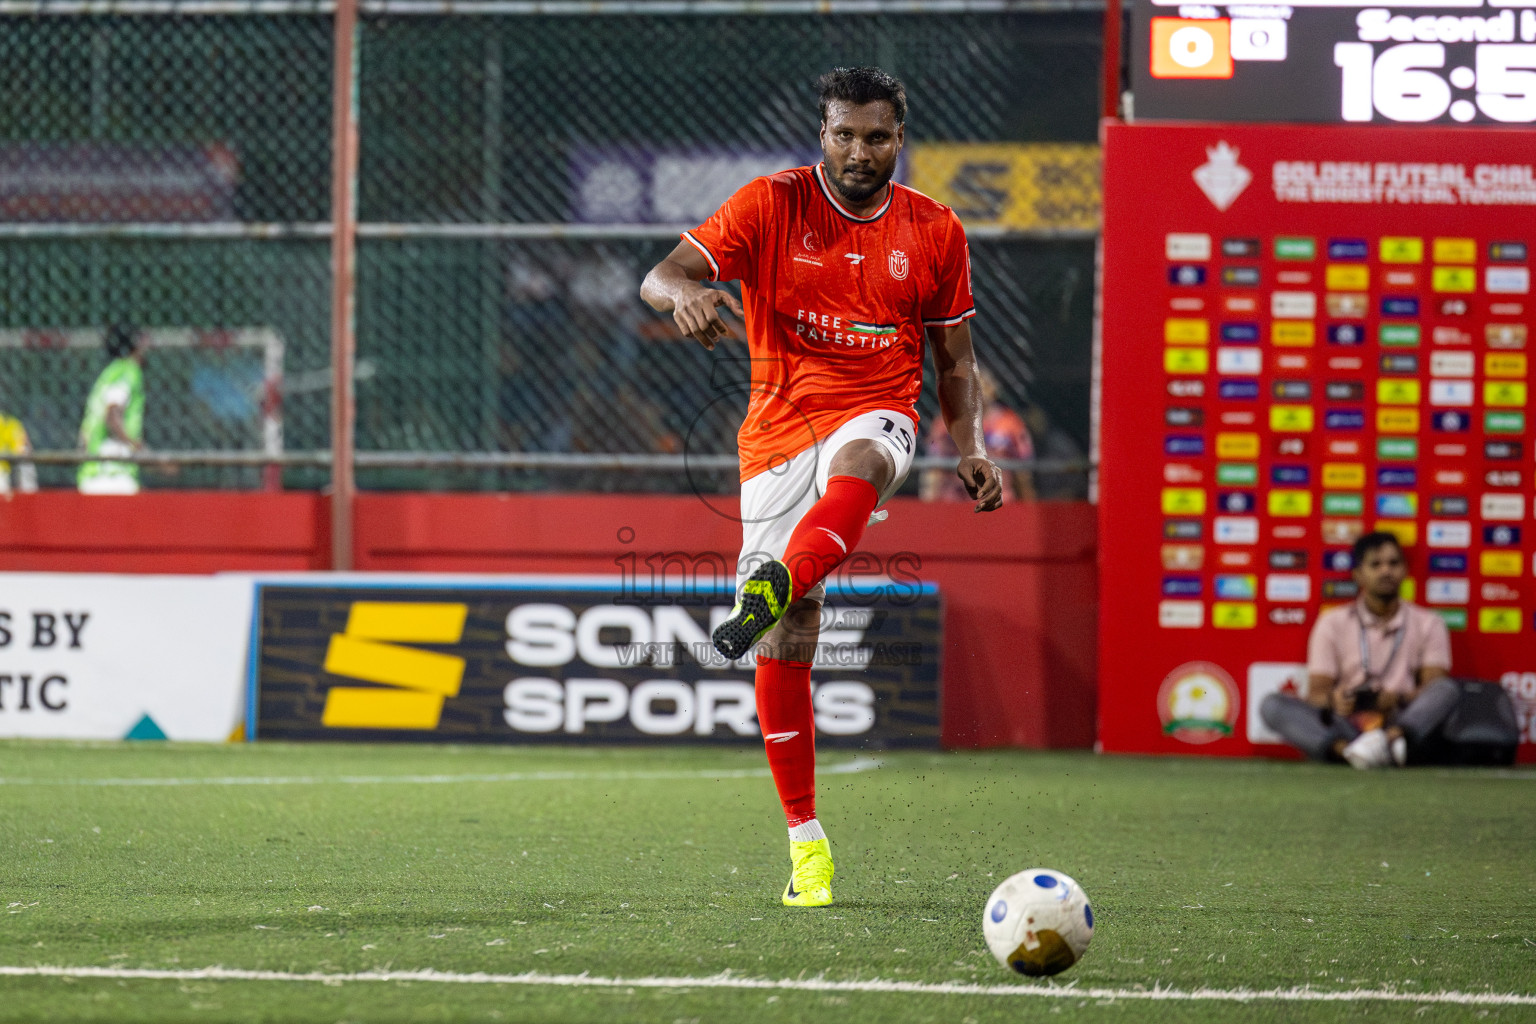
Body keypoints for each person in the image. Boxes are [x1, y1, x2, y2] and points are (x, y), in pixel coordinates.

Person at [640, 67, 1003, 909]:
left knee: (866, 464)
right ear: (823, 133)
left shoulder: (936, 231)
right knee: (791, 629)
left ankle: (775, 584)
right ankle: (807, 841)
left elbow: (954, 361)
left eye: (875, 137)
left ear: (898, 141)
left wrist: (972, 446)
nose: (858, 150)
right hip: (774, 432)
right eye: (843, 133)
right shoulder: (770, 204)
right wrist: (683, 296)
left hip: (875, 407)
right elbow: (661, 275)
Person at [1260, 531, 1457, 769]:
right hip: (1348, 725)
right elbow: (1317, 694)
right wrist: (1336, 700)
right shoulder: (1332, 622)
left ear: (1404, 570)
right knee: (1272, 705)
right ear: (1358, 575)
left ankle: (1388, 743)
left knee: (1448, 689)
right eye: (1376, 564)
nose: (1386, 571)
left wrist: (1397, 699)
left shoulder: (1428, 623)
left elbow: (1434, 688)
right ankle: (1352, 753)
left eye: (1393, 563)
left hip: (1400, 720)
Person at [920, 366, 1035, 502]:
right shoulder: (945, 422)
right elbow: (933, 468)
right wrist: (927, 504)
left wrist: (1029, 505)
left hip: (997, 502)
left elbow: (1023, 472)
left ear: (992, 389)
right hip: (953, 503)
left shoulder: (1011, 423)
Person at [77, 323, 147, 495]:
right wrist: (139, 449)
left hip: (93, 471)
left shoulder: (108, 374)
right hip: (113, 474)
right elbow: (113, 415)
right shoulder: (126, 371)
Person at [0, 407, 38, 497]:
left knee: (26, 456)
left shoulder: (14, 423)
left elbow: (25, 445)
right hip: (2, 466)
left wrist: (21, 449)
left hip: (14, 458)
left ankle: (29, 496)